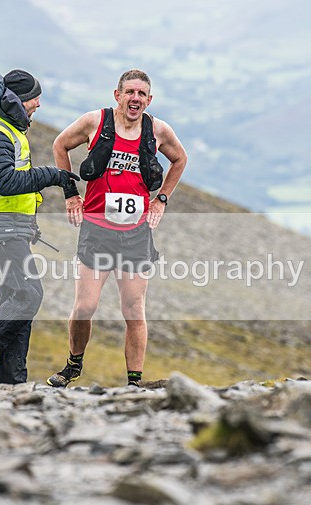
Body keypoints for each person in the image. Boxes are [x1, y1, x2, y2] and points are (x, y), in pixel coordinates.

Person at [47, 69, 187, 388]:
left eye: (141, 94)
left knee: (134, 308)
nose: (135, 98)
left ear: (149, 100)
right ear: (118, 95)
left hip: (136, 233)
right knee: (85, 306)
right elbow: (60, 145)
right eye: (130, 92)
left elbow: (180, 159)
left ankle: (134, 382)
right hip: (96, 228)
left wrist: (161, 199)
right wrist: (70, 194)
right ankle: (73, 365)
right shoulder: (95, 122)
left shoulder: (158, 130)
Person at [0, 69, 79, 386]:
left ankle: (11, 383)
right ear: (20, 101)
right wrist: (54, 176)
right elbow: (6, 182)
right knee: (28, 295)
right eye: (35, 99)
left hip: (9, 227)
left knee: (16, 303)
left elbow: (11, 188)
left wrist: (27, 224)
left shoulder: (7, 127)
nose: (38, 105)